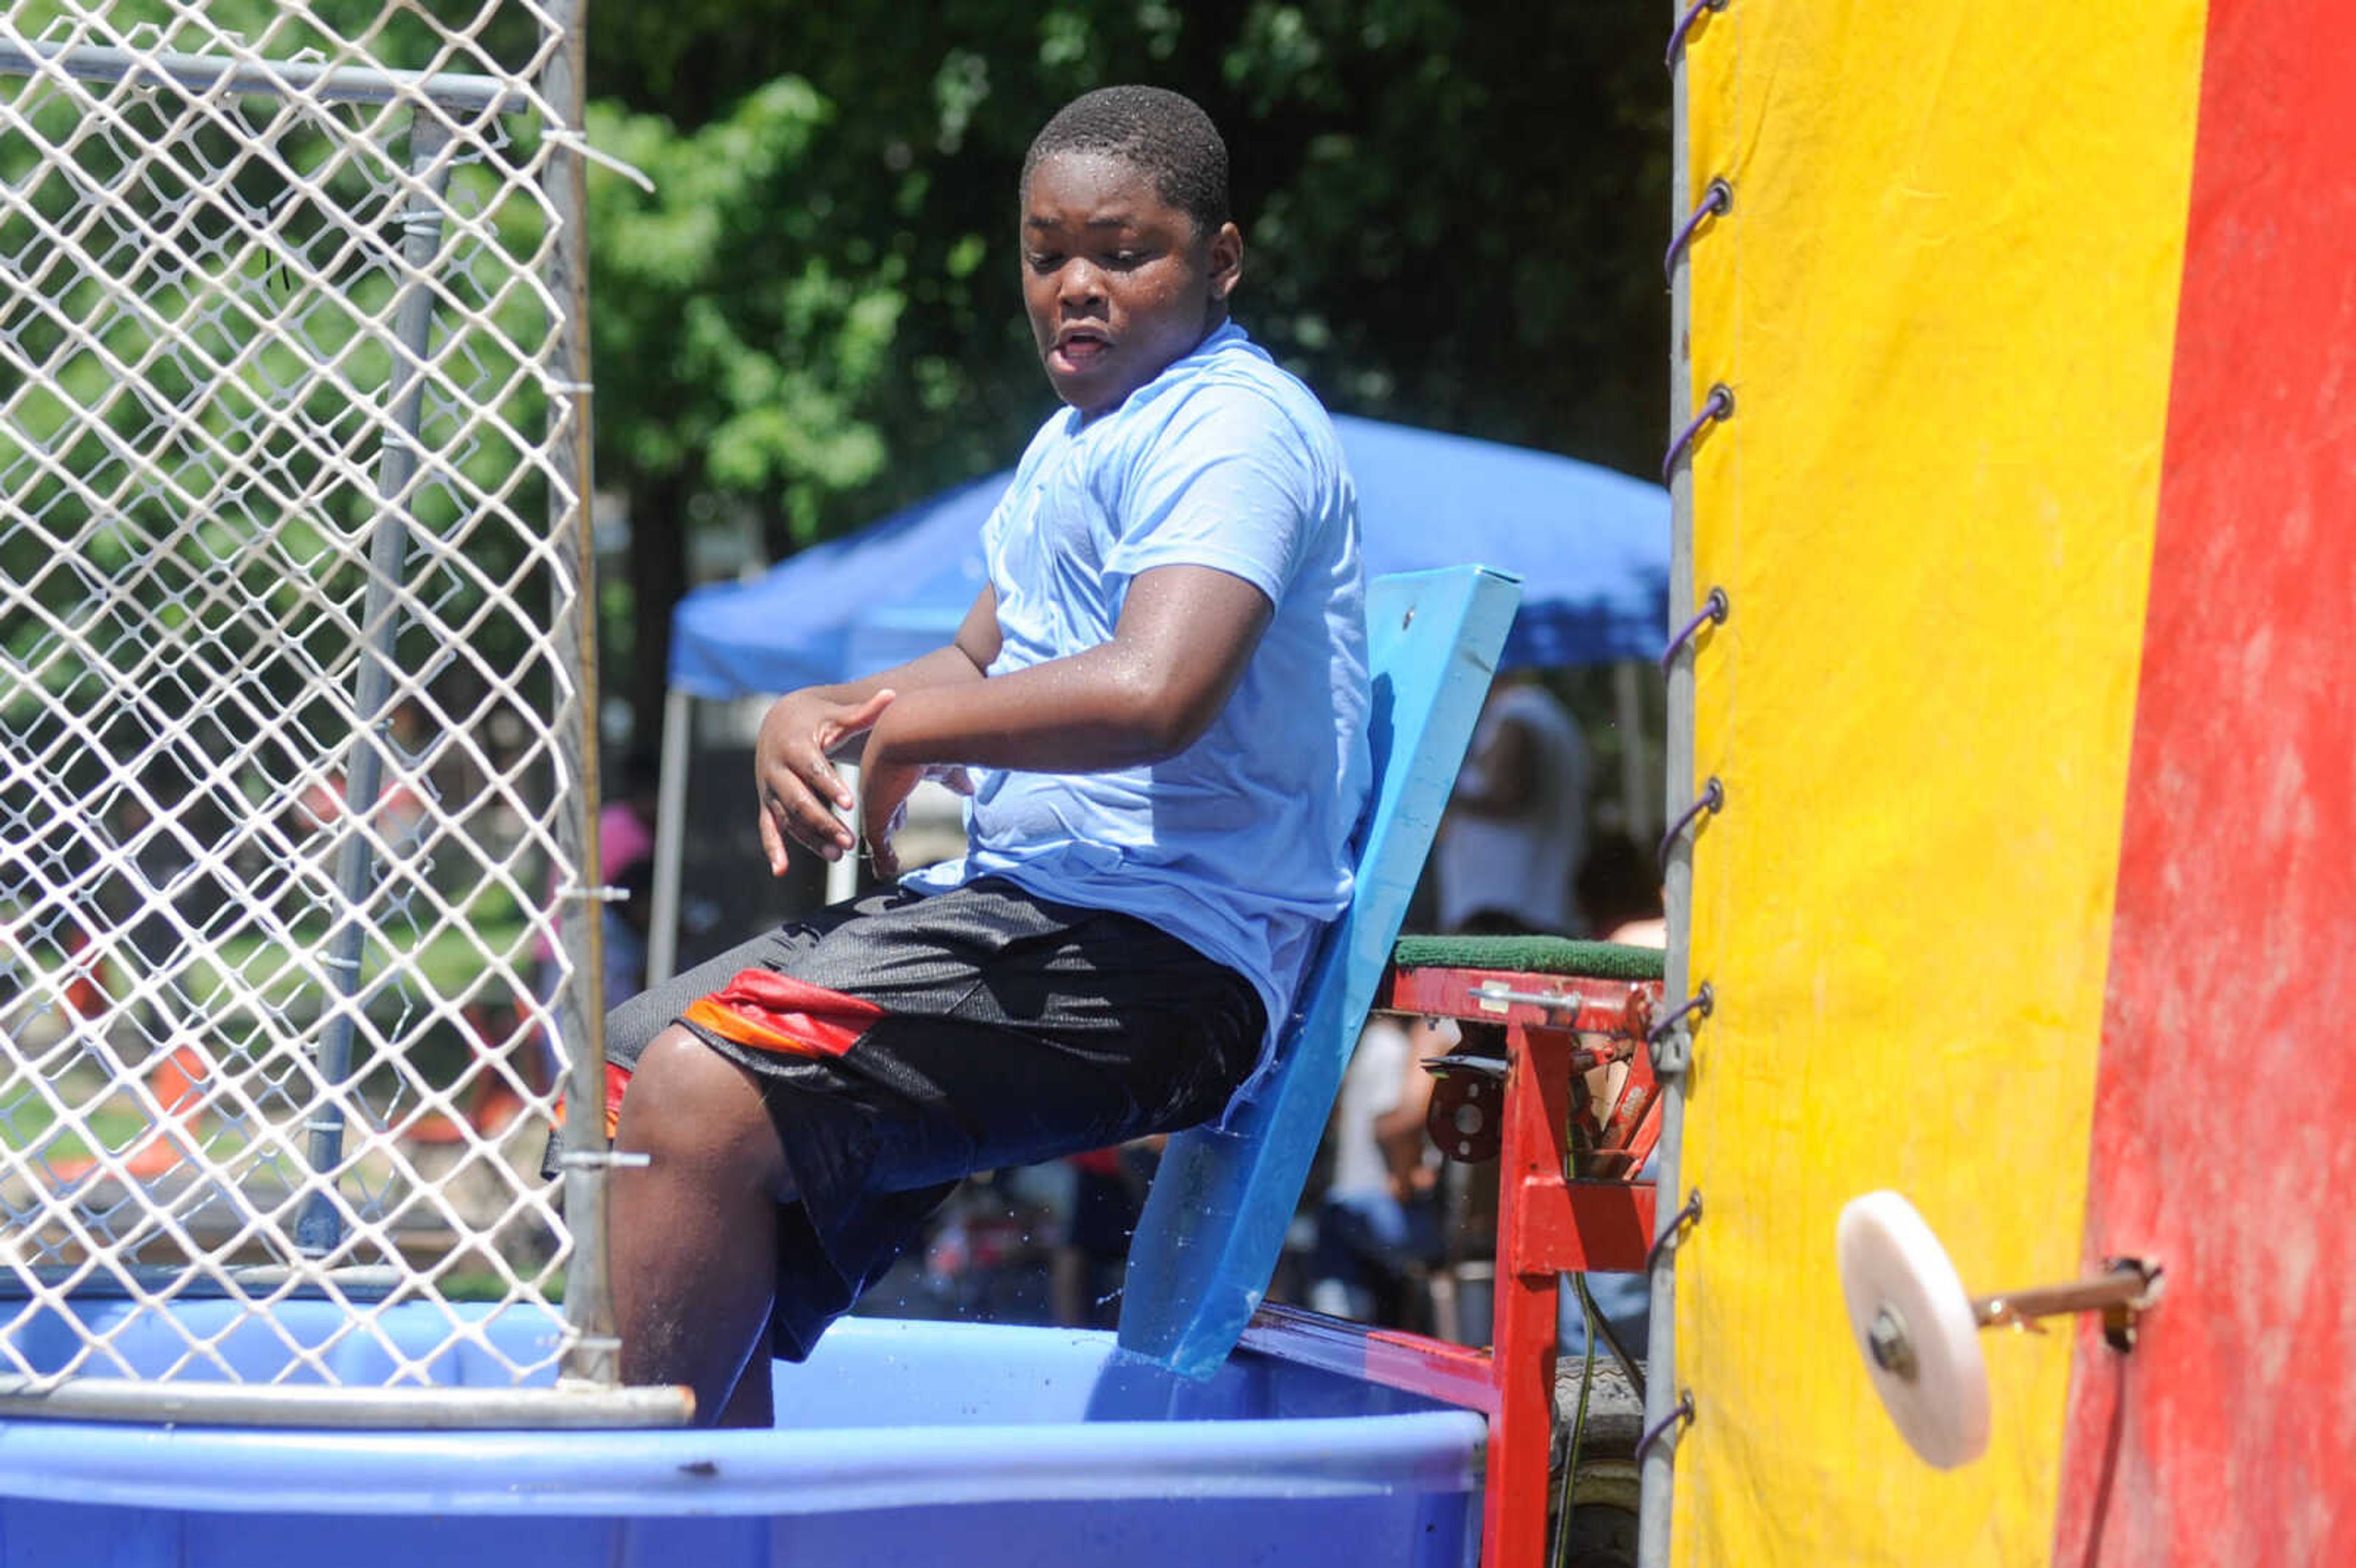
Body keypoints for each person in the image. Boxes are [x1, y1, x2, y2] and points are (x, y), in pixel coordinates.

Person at [596, 86, 1371, 1427]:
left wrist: (898, 734)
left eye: (1124, 252)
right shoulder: (1074, 445)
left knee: (699, 1092)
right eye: (1045, 251)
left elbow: (1154, 691)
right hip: (1041, 917)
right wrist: (821, 710)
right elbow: (969, 666)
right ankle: (710, 1512)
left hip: (1170, 960)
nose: (1077, 286)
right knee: (619, 1072)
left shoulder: (1229, 428)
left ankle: (623, 1520)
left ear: (1221, 261)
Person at [1433, 672, 1590, 937]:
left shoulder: (1518, 713)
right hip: (1518, 907)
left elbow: (1507, 794)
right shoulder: (1540, 712)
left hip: (1502, 911)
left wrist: (1437, 795)